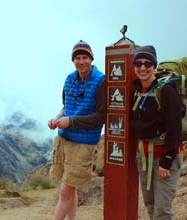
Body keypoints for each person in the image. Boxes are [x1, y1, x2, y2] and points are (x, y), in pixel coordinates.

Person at [48, 40, 105, 220]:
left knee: (65, 191)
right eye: (77, 58)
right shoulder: (69, 79)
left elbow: (100, 116)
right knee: (69, 189)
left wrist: (70, 122)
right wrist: (57, 118)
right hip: (65, 140)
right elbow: (66, 106)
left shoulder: (101, 81)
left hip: (83, 143)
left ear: (91, 59)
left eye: (85, 58)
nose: (81, 62)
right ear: (73, 61)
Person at [131, 46, 183, 220]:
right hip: (143, 157)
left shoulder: (166, 90)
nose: (143, 68)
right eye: (138, 63)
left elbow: (175, 128)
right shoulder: (138, 89)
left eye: (148, 63)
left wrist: (167, 160)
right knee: (151, 205)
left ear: (154, 66)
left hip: (163, 158)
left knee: (163, 211)